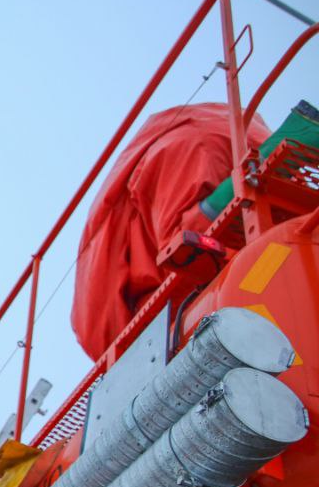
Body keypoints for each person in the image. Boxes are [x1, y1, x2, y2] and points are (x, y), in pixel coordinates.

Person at [70, 102, 270, 361]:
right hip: (244, 131)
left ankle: (278, 151)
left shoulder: (96, 315)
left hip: (185, 149)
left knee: (188, 243)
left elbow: (182, 241)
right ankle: (278, 148)